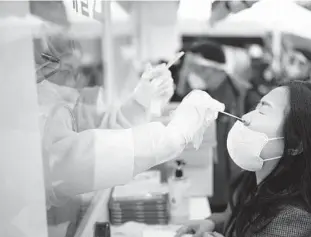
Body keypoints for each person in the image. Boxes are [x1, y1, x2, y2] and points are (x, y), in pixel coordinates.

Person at [34, 34, 225, 236]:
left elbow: (102, 132)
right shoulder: (29, 115)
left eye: (76, 71)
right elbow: (69, 160)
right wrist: (170, 138)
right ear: (41, 67)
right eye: (65, 71)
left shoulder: (55, 104)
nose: (75, 80)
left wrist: (140, 102)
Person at [176, 80, 311, 237]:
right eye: (255, 108)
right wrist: (214, 223)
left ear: (296, 144)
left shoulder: (295, 218)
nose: (244, 118)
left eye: (262, 112)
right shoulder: (255, 183)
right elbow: (241, 218)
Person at [172, 40, 244, 212]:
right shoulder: (200, 95)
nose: (189, 73)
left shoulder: (240, 96)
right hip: (201, 182)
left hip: (230, 191)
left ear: (209, 69)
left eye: (192, 67)